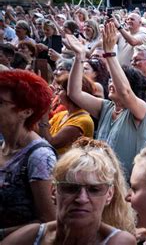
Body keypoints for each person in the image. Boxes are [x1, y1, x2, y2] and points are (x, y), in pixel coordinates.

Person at [2, 138, 136, 245]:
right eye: (70, 188)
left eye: (94, 190)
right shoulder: (30, 236)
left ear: (109, 194)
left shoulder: (119, 241)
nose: (82, 198)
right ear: (54, 191)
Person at [67, 23, 146, 179]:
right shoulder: (106, 107)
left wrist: (110, 53)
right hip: (99, 181)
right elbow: (74, 93)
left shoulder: (140, 110)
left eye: (115, 81)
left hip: (124, 186)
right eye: (110, 80)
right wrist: (79, 57)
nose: (111, 84)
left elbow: (125, 92)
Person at [0, 70, 56, 239]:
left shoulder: (40, 157)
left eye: (0, 102)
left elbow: (49, 221)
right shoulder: (3, 145)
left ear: (26, 112)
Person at [38, 74, 95, 156]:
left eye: (60, 89)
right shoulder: (63, 114)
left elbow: (50, 144)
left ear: (71, 93)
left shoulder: (83, 120)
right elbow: (40, 133)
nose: (56, 93)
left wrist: (44, 113)